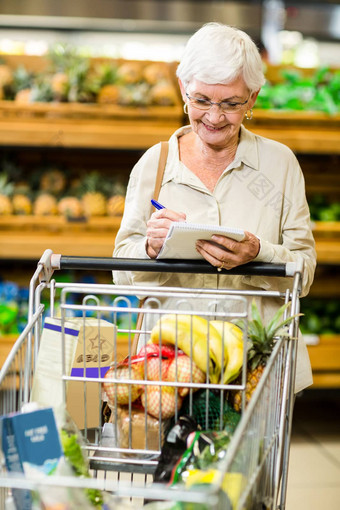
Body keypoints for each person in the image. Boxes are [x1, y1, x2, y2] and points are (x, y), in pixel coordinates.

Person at [113, 22, 316, 393]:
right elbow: (120, 271)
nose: (214, 117)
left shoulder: (279, 165)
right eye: (202, 100)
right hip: (170, 371)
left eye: (231, 103)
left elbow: (305, 271)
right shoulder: (155, 165)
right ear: (182, 89)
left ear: (252, 98)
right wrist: (150, 248)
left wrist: (259, 254)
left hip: (259, 370)